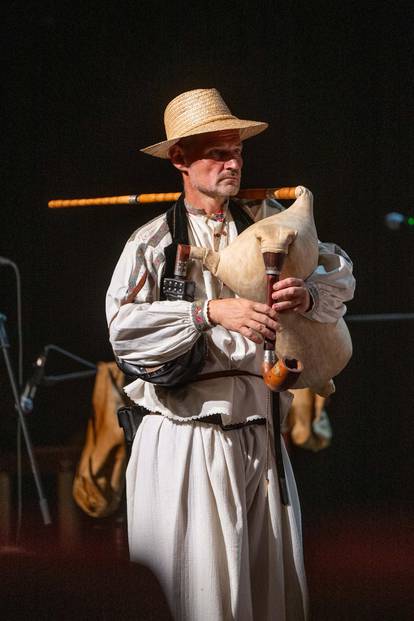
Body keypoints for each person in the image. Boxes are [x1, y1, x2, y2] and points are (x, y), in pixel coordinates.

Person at [106, 88, 355, 621]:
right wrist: (208, 313)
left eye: (237, 150)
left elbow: (338, 275)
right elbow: (124, 330)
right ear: (179, 159)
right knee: (198, 593)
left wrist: (307, 296)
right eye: (217, 152)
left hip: (261, 432)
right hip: (186, 437)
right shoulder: (151, 243)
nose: (233, 162)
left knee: (267, 592)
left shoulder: (269, 225)